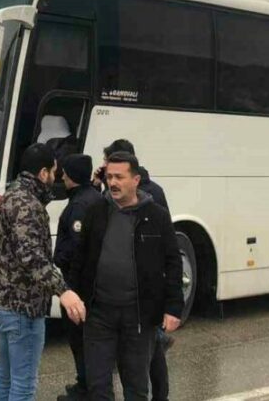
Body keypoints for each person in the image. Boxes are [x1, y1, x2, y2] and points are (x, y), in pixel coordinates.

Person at [68, 152, 183, 401]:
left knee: (136, 388)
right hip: (99, 315)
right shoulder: (96, 211)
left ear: (136, 179)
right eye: (109, 176)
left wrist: (174, 307)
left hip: (139, 317)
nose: (113, 182)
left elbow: (173, 262)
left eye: (119, 177)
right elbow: (80, 259)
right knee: (98, 387)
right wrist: (73, 295)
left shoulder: (157, 216)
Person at [0, 143, 86, 401]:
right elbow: (30, 255)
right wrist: (63, 290)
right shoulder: (28, 205)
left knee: (5, 379)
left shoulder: (10, 195)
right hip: (23, 308)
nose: (55, 178)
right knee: (23, 385)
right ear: (43, 173)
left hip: (1, 303)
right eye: (53, 171)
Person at [105, 139, 173, 400]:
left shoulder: (148, 196)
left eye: (115, 173)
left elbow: (164, 241)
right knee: (151, 351)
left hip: (146, 288)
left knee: (150, 351)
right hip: (140, 289)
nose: (111, 178)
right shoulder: (153, 189)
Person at [54, 154, 104, 401]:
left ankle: (86, 388)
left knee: (80, 339)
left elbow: (77, 246)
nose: (61, 176)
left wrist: (61, 263)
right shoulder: (93, 197)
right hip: (87, 284)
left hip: (78, 285)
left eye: (64, 173)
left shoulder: (79, 205)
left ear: (72, 176)